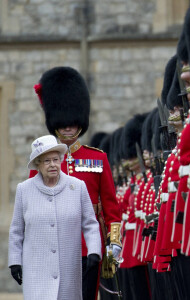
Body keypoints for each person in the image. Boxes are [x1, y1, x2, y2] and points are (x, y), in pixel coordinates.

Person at [32, 66, 122, 300]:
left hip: (87, 246)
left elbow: (111, 206)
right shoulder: (43, 159)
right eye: (63, 123)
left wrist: (114, 244)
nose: (68, 126)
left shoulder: (98, 158)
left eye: (72, 122)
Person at [8, 135, 101, 300]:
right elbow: (16, 230)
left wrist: (94, 251)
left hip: (68, 269)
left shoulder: (77, 186)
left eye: (56, 159)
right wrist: (15, 261)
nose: (52, 165)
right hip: (36, 270)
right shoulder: (24, 190)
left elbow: (90, 224)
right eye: (47, 161)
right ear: (38, 164)